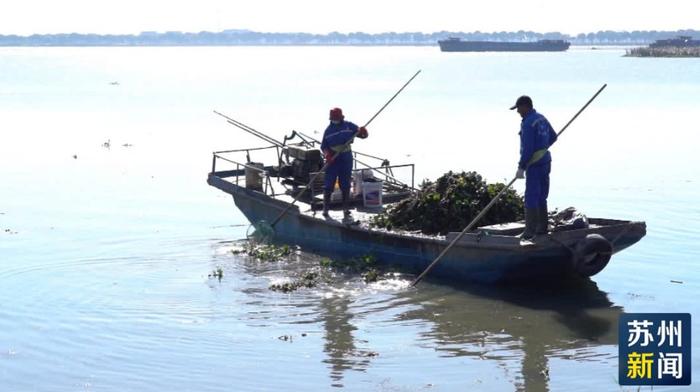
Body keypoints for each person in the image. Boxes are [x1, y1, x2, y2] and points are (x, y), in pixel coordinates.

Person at [510, 95, 558, 239]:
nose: (518, 111)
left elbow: (528, 148)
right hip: (546, 161)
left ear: (525, 106)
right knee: (542, 196)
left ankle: (529, 231)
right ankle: (542, 228)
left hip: (534, 164)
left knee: (531, 196)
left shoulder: (528, 123)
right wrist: (542, 148)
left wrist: (521, 166)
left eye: (518, 108)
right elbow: (553, 136)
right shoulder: (541, 118)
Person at [320, 107, 368, 218]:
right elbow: (324, 146)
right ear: (331, 118)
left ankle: (346, 209)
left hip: (346, 158)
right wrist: (327, 155)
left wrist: (363, 132)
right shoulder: (328, 131)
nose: (335, 120)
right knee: (328, 184)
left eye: (336, 118)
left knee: (345, 184)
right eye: (333, 118)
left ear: (341, 117)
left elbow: (361, 135)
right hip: (333, 159)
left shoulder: (348, 126)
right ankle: (325, 209)